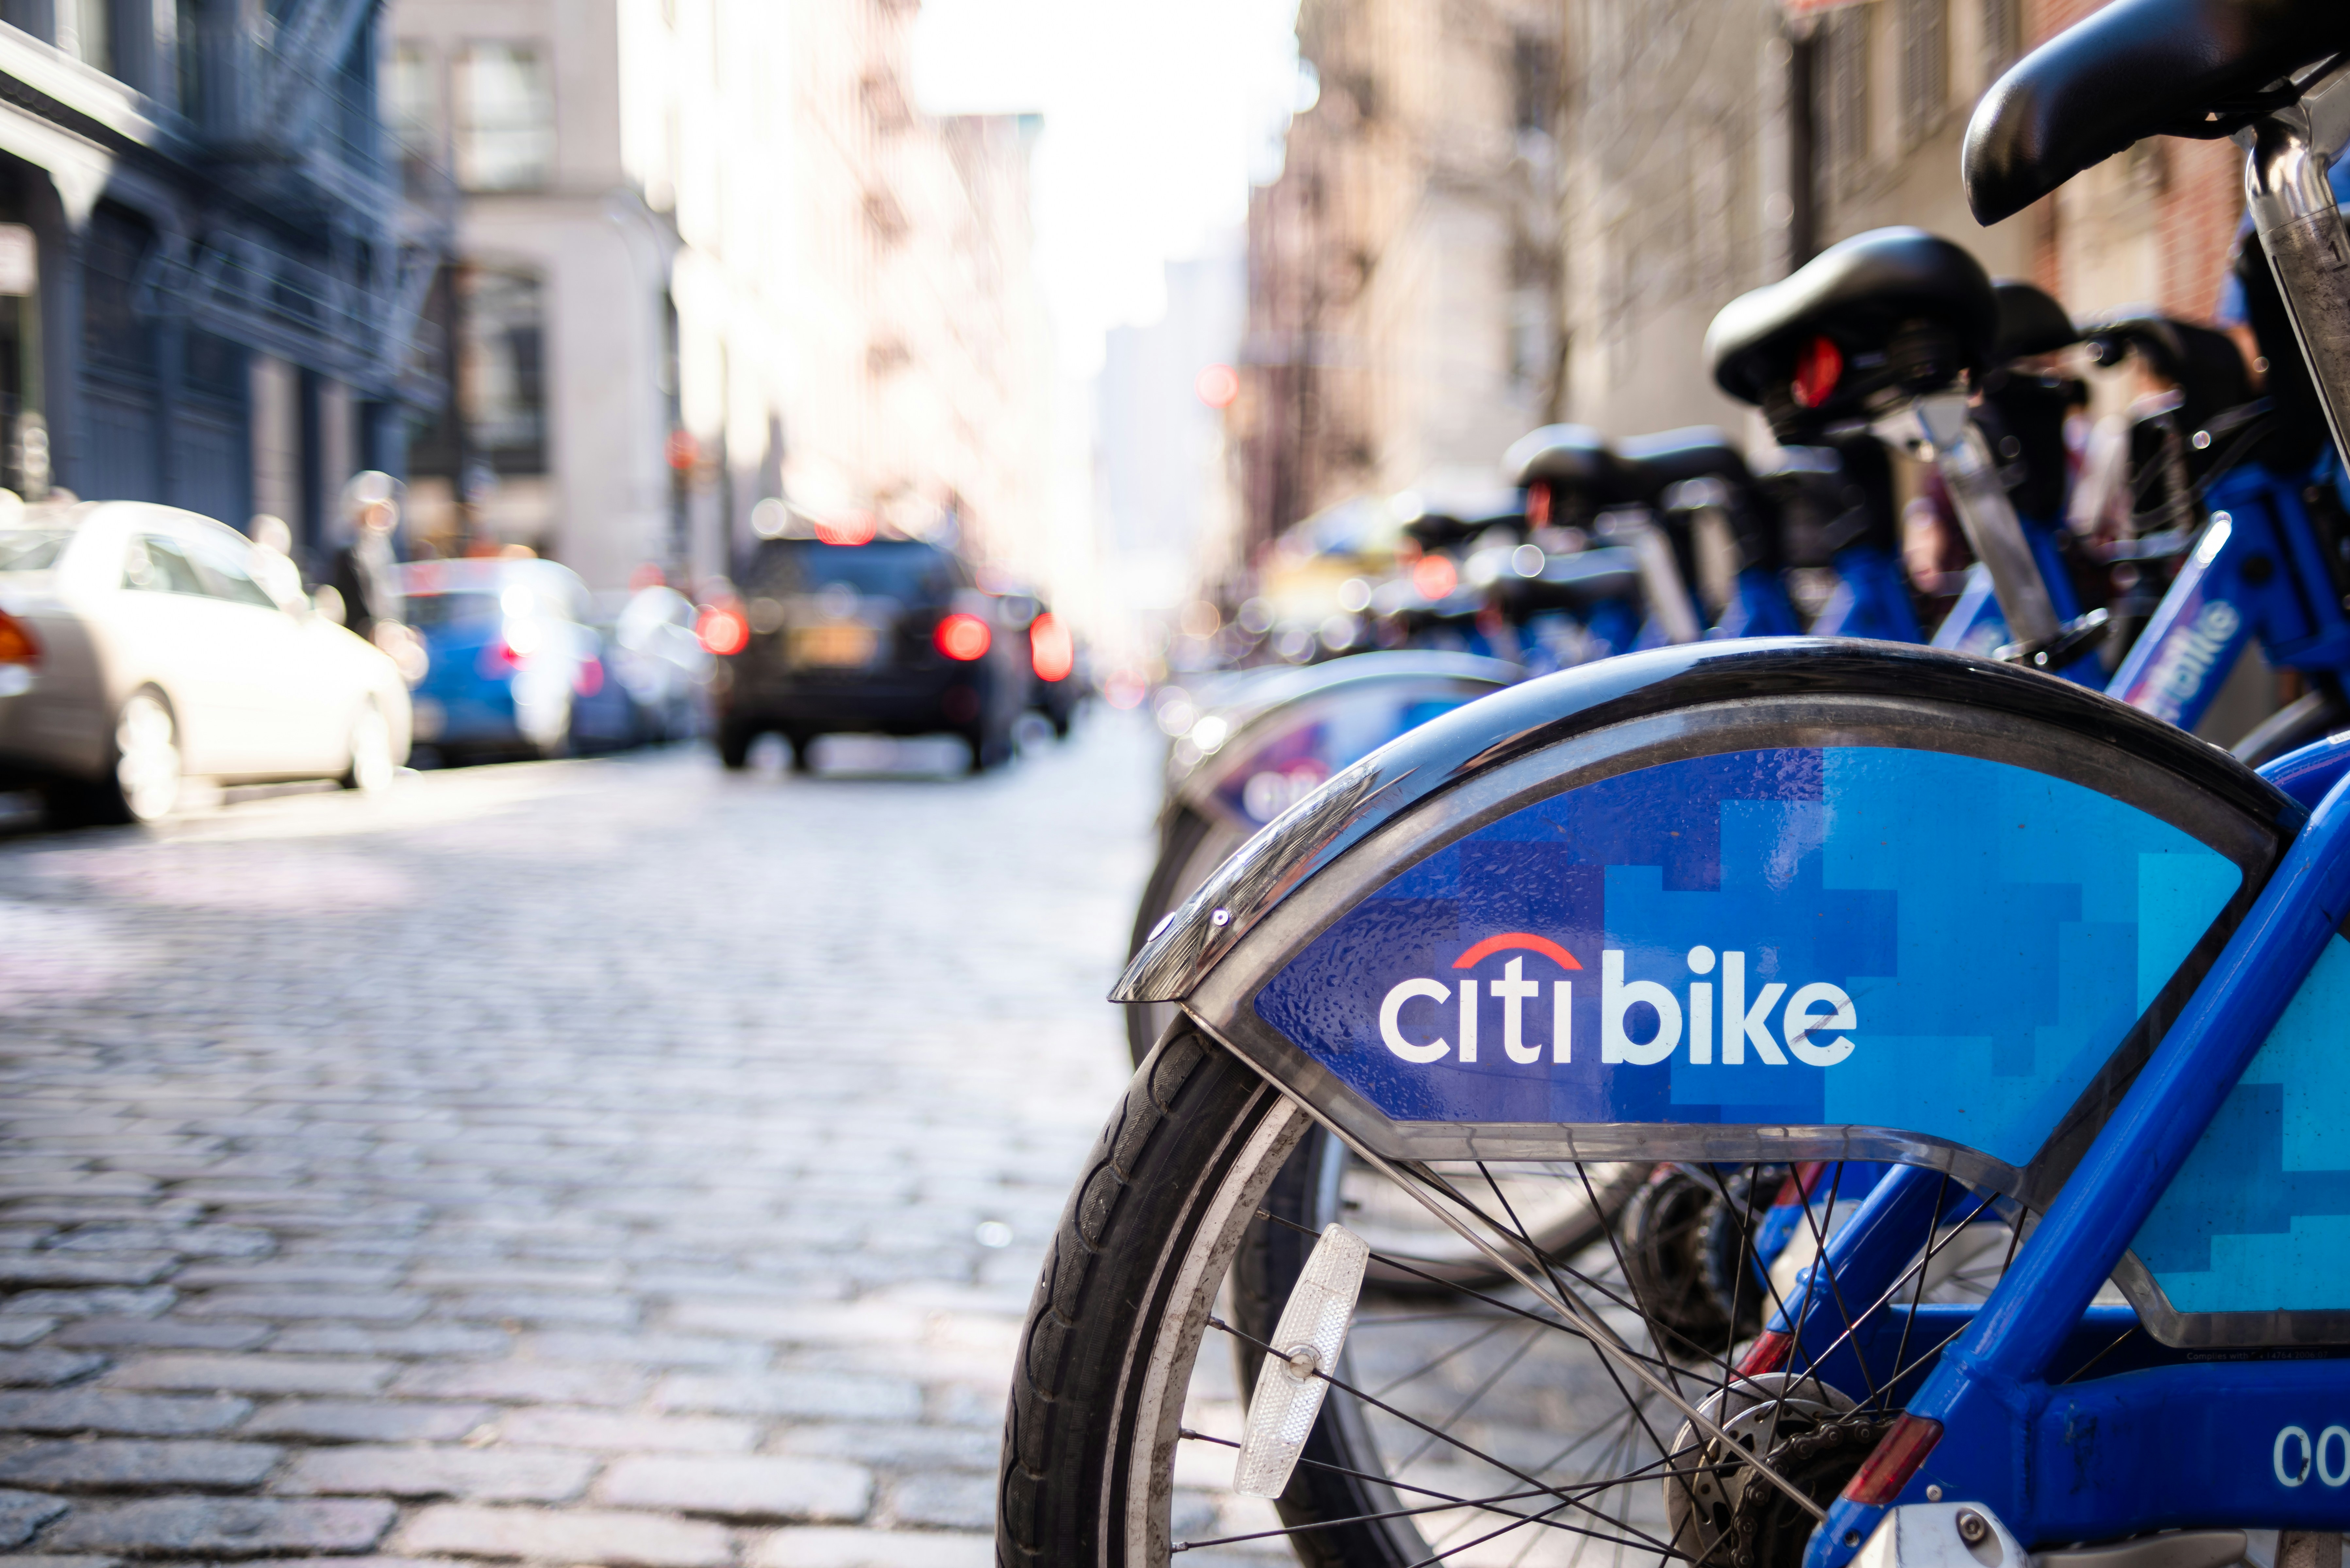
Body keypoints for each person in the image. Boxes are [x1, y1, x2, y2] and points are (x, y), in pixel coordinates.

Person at [327, 471, 405, 644]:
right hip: (361, 639)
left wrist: (395, 627)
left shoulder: (380, 548)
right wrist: (376, 629)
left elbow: (387, 595)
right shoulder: (350, 550)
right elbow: (356, 600)